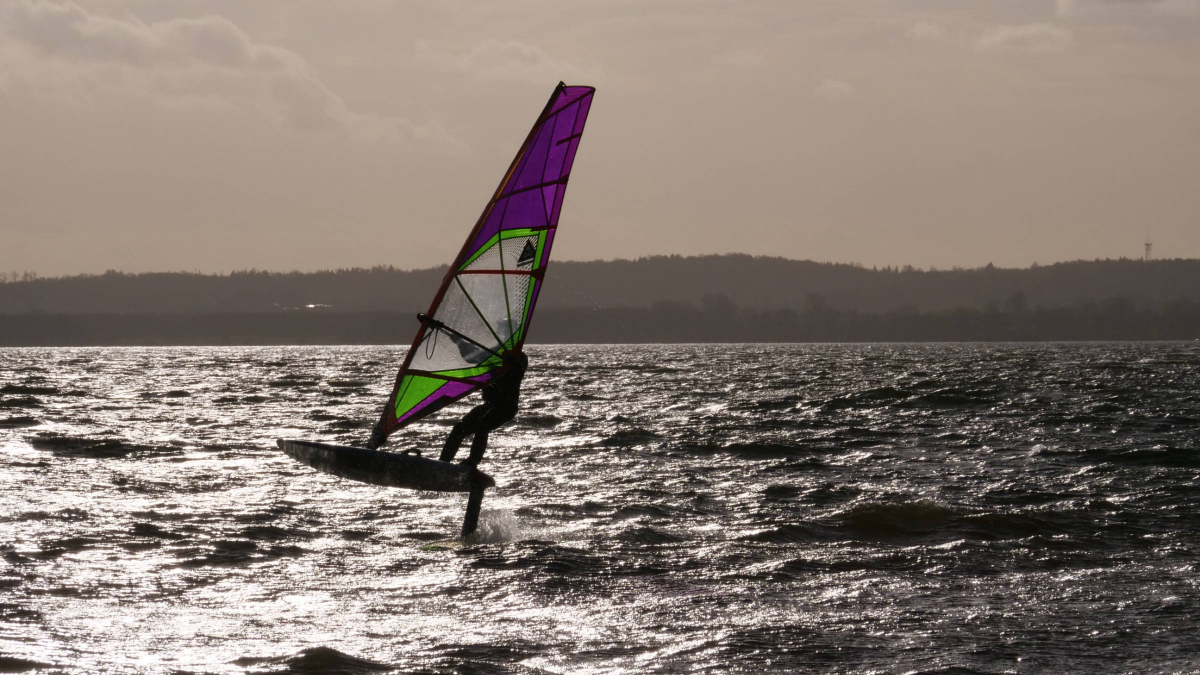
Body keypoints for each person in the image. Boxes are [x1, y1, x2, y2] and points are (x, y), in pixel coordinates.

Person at [440, 350, 528, 467]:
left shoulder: (519, 360)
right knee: (459, 427)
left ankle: (473, 461)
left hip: (506, 406)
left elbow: (518, 364)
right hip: (488, 405)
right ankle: (443, 462)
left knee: (483, 425)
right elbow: (469, 355)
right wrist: (455, 340)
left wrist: (506, 358)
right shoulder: (492, 360)